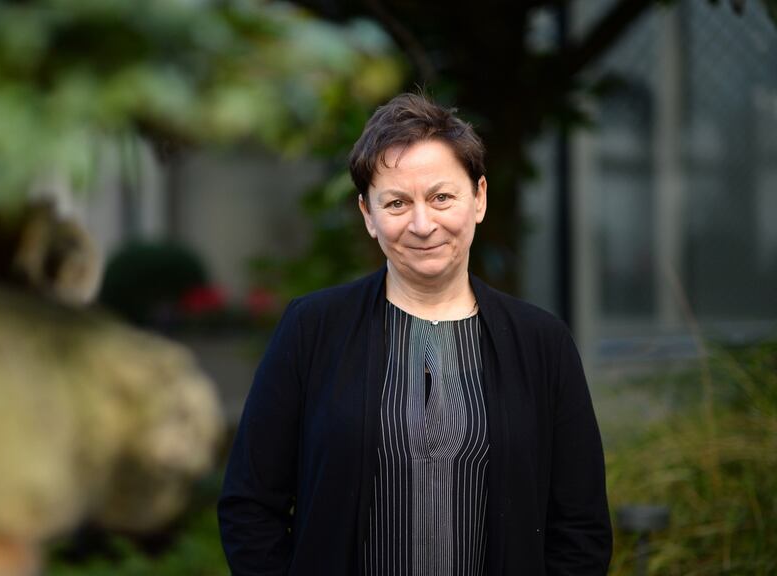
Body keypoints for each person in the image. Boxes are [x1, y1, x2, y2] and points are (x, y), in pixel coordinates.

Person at [218, 93, 611, 576]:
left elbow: (581, 527)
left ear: (480, 198)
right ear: (367, 214)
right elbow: (249, 506)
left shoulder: (542, 343)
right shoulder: (312, 330)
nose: (423, 224)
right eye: (397, 203)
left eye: (441, 197)